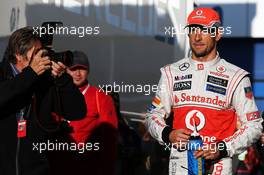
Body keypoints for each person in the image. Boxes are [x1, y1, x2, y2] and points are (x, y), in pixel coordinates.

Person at [145, 7, 263, 175]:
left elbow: (254, 125)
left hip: (218, 167)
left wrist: (222, 148)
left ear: (218, 34)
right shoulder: (171, 73)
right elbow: (152, 115)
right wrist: (167, 134)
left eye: (205, 30)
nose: (197, 37)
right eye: (193, 30)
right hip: (180, 167)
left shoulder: (236, 77)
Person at [0, 27, 86, 175]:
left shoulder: (44, 80)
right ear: (18, 55)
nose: (42, 58)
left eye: (43, 53)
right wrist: (29, 75)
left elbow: (77, 112)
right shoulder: (2, 74)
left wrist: (63, 79)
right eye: (36, 54)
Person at [49, 50, 118, 175]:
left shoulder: (101, 98)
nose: (78, 73)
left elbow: (109, 140)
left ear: (88, 71)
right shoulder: (54, 95)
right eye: (73, 69)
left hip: (88, 167)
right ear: (66, 70)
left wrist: (107, 170)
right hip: (58, 165)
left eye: (82, 69)